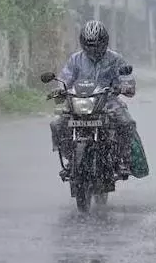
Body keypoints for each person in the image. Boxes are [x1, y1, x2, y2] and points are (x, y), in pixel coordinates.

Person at [50, 20, 137, 180]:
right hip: (78, 102)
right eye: (89, 45)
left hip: (108, 101)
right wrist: (59, 89)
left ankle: (123, 159)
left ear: (104, 42)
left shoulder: (115, 59)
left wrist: (125, 86)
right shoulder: (76, 59)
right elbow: (65, 77)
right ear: (83, 43)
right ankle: (70, 158)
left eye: (96, 45)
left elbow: (126, 77)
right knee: (57, 124)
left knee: (127, 123)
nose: (93, 49)